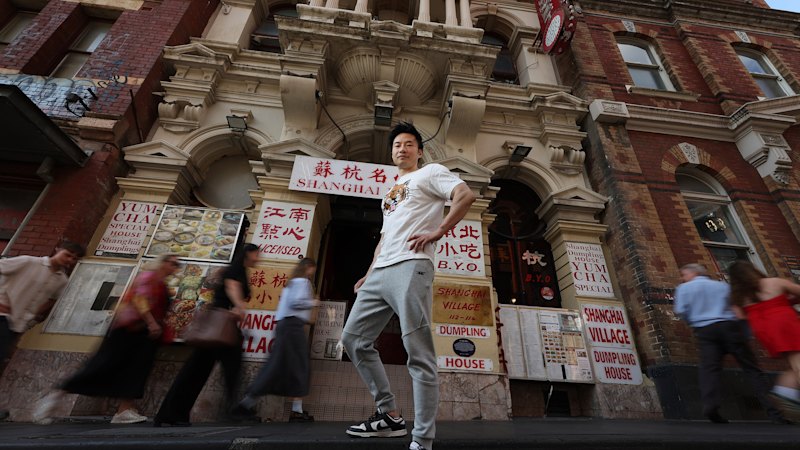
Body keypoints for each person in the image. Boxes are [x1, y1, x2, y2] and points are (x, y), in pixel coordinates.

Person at [341, 122, 476, 450]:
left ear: (419, 150)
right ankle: (388, 415)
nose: (402, 149)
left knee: (418, 351)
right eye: (397, 145)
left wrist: (439, 231)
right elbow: (386, 235)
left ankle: (423, 439)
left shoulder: (430, 173)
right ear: (392, 152)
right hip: (380, 271)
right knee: (354, 340)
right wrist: (369, 271)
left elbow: (465, 195)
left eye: (409, 144)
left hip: (412, 266)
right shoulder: (390, 192)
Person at [32, 253, 180, 424]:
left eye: (177, 265)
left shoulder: (162, 283)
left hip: (145, 335)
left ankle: (124, 410)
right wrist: (152, 323)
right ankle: (55, 397)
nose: (176, 268)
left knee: (137, 370)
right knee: (103, 365)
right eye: (173, 263)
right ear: (162, 262)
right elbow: (141, 300)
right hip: (130, 330)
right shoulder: (149, 277)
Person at [153, 243, 259, 427]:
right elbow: (232, 286)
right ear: (248, 253)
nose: (259, 258)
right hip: (221, 327)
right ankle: (236, 411)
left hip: (220, 326)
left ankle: (171, 413)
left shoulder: (236, 269)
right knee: (222, 371)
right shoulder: (236, 270)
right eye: (257, 254)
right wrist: (239, 305)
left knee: (205, 371)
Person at [674, 263, 789, 424]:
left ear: (693, 273)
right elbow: (736, 310)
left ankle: (710, 405)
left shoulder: (683, 289)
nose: (682, 278)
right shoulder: (722, 287)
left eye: (684, 274)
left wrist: (694, 323)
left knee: (709, 370)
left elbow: (681, 311)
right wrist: (745, 333)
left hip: (705, 331)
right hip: (729, 327)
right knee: (751, 369)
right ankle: (775, 413)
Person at [0, 241, 84, 421]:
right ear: (58, 250)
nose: (70, 260)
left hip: (17, 324)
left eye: (74, 259)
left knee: (2, 360)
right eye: (68, 255)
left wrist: (33, 318)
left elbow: (51, 301)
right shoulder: (29, 262)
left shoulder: (62, 280)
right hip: (1, 315)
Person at [231, 258, 320, 422]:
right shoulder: (302, 282)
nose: (313, 272)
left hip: (286, 326)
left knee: (286, 365)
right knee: (294, 366)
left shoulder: (291, 283)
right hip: (292, 326)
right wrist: (313, 302)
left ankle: (250, 404)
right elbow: (297, 302)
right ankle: (246, 406)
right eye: (313, 269)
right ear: (308, 267)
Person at [728, 260, 800, 419]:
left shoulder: (737, 297)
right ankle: (784, 393)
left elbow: (740, 316)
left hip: (764, 329)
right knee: (797, 362)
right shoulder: (774, 282)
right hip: (785, 322)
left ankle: (784, 392)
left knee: (793, 362)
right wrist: (787, 301)